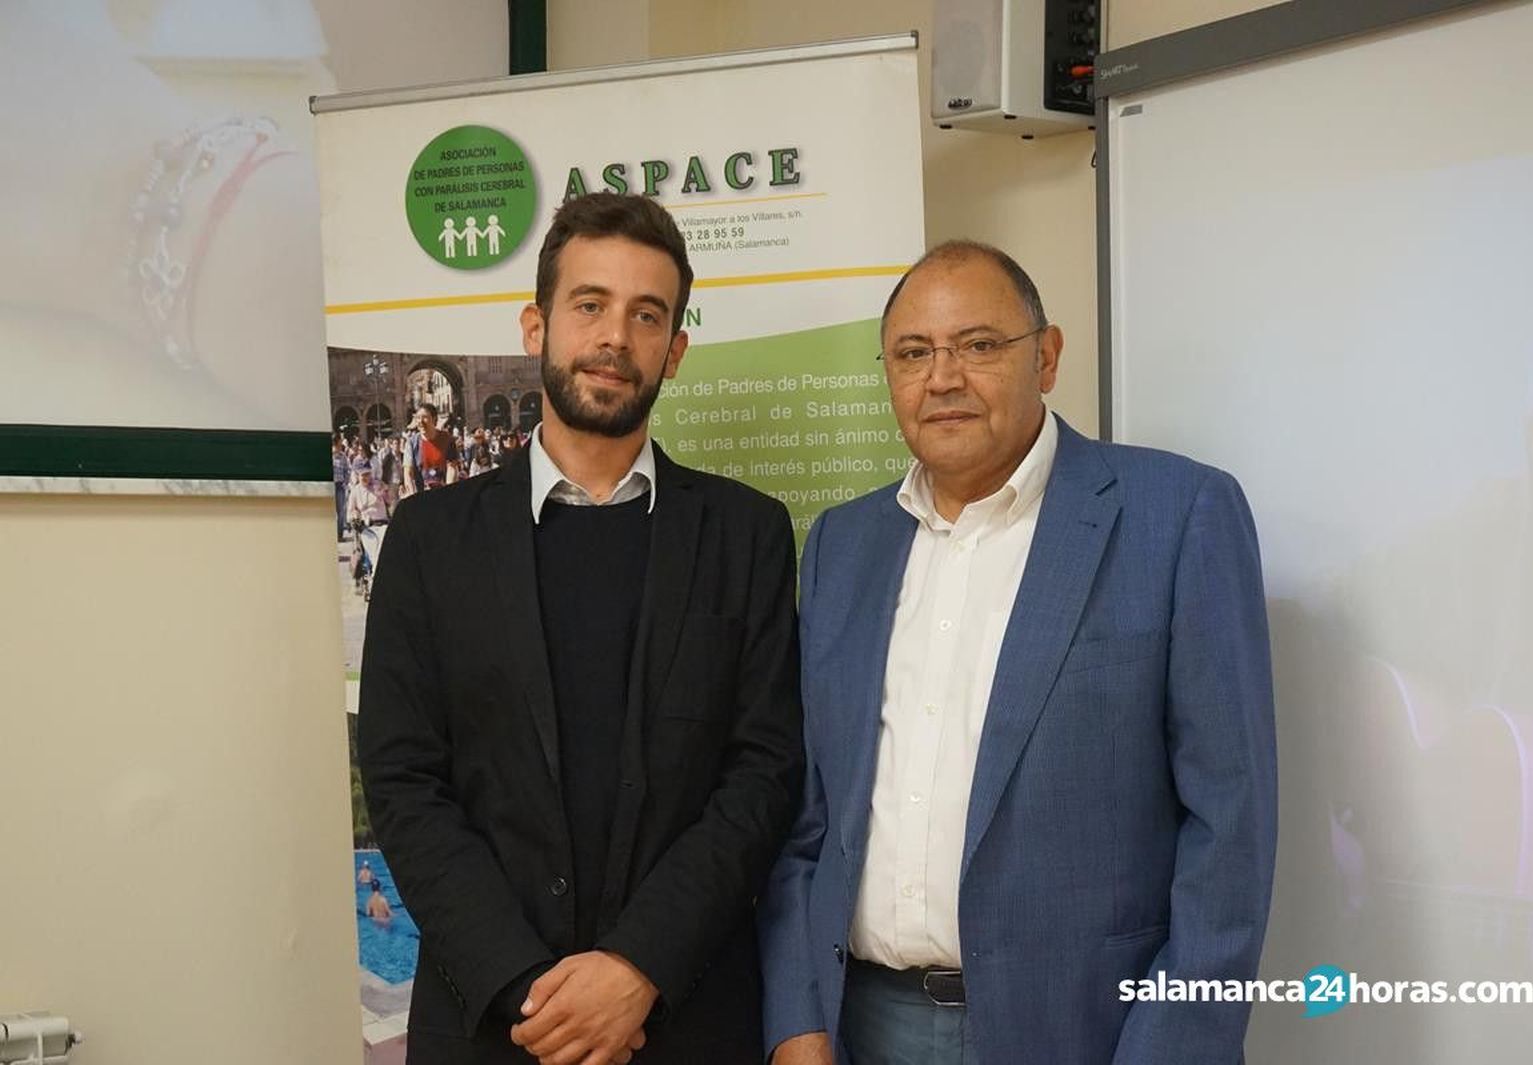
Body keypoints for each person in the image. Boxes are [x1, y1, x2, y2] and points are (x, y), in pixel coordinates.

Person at [758, 241, 1277, 1065]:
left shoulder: (1176, 517)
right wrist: (796, 1021)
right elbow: (804, 817)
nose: (944, 377)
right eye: (913, 353)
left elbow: (1230, 835)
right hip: (861, 1025)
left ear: (1049, 355)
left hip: (1087, 1033)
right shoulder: (842, 545)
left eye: (979, 344)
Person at [359, 192, 804, 1065]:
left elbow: (765, 773)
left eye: (648, 316)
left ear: (674, 350)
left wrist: (638, 965)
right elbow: (405, 781)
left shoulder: (746, 534)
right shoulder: (428, 540)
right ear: (536, 326)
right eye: (589, 305)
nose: (615, 338)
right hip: (492, 1021)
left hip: (683, 1018)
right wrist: (527, 984)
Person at [403, 403, 459, 493]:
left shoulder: (447, 440)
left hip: (443, 491)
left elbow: (451, 467)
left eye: (425, 417)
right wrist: (412, 495)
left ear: (434, 419)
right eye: (418, 418)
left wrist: (449, 490)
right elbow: (408, 472)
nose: (420, 421)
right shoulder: (411, 443)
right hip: (421, 494)